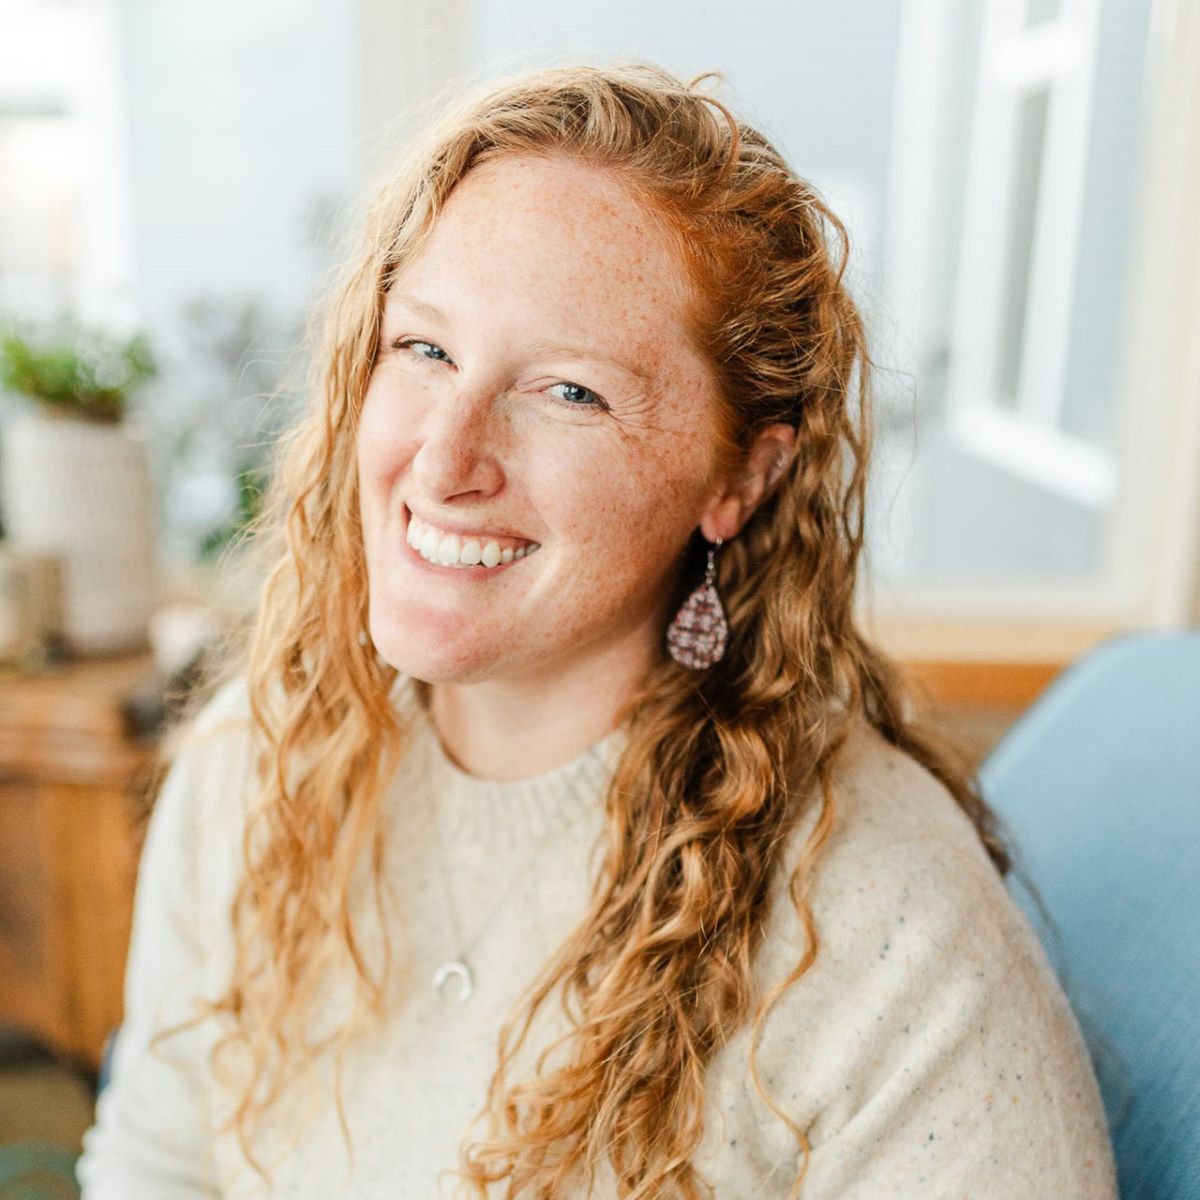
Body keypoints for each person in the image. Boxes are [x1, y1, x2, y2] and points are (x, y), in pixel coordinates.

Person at [76, 61, 1117, 1199]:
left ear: (741, 477)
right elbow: (158, 1167)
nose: (442, 460)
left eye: (568, 391)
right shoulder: (255, 762)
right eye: (424, 350)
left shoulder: (883, 925)